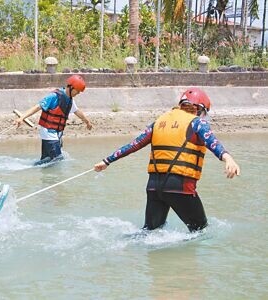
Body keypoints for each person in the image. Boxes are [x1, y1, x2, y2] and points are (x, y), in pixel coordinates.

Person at [93, 87, 241, 232]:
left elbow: (134, 145)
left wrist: (107, 161)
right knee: (201, 231)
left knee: (150, 233)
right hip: (180, 187)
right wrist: (228, 158)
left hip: (154, 187)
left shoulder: (158, 123)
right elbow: (212, 142)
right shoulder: (197, 123)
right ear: (198, 108)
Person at [14, 74, 93, 165]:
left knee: (46, 160)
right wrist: (22, 118)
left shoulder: (70, 99)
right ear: (71, 87)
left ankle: (39, 173)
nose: (78, 93)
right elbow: (37, 107)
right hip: (48, 132)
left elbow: (77, 111)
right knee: (57, 160)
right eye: (77, 91)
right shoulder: (54, 96)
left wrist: (87, 122)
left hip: (57, 133)